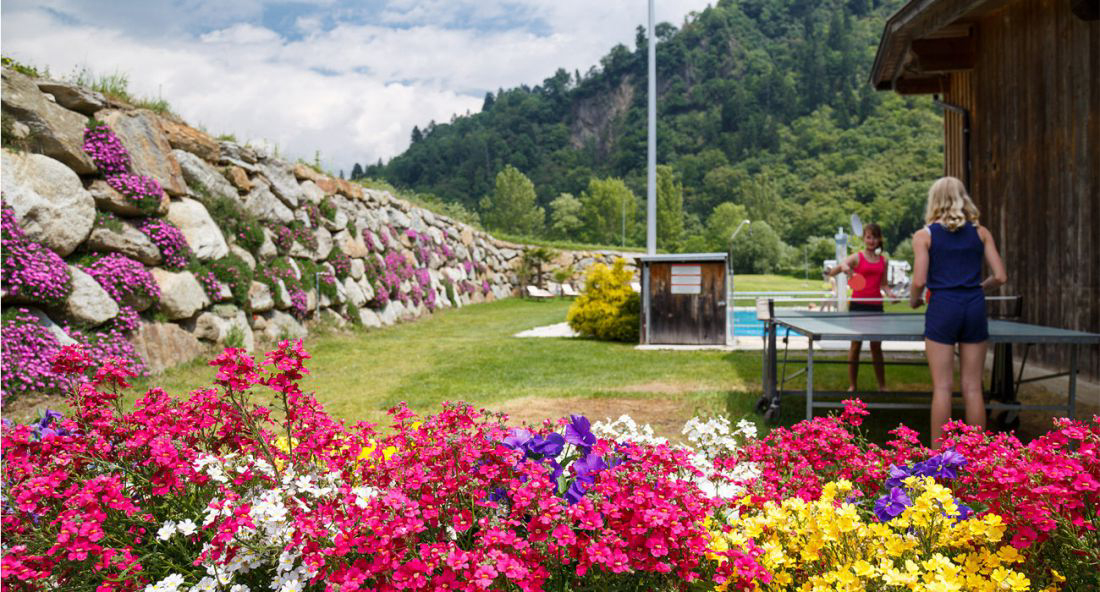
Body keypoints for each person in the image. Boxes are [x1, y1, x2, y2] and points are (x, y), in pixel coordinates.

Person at [909, 177, 1006, 447]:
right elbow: (1000, 276)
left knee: (942, 387)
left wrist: (914, 300)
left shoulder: (924, 236)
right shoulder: (981, 233)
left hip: (943, 307)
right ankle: (978, 455)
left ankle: (938, 455)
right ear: (964, 198)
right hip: (973, 306)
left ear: (934, 200)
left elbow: (919, 280)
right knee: (973, 387)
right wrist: (980, 287)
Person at [828, 223, 896, 391]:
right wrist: (843, 266)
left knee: (876, 347)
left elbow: (884, 284)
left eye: (874, 237)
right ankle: (852, 385)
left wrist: (891, 294)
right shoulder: (856, 257)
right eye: (868, 237)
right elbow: (833, 272)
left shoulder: (884, 260)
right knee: (856, 345)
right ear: (864, 239)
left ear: (879, 239)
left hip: (876, 307)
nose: (871, 241)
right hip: (858, 306)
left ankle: (882, 386)